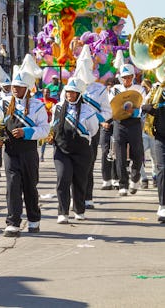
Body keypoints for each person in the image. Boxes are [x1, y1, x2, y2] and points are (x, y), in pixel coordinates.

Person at [0, 69, 50, 237]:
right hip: (10, 151)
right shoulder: (4, 103)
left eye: (19, 87)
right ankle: (13, 222)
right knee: (12, 187)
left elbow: (44, 130)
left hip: (28, 152)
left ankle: (34, 219)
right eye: (14, 86)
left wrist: (26, 132)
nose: (15, 89)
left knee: (29, 186)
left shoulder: (37, 105)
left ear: (27, 88)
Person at [49, 77, 99, 224]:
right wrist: (52, 136)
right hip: (61, 149)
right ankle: (63, 212)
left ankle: (79, 209)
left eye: (73, 93)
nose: (70, 95)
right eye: (68, 92)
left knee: (79, 181)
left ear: (79, 94)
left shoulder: (88, 110)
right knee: (63, 178)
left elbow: (93, 129)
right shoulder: (58, 107)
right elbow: (53, 124)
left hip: (82, 151)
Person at [73, 47, 112, 209]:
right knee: (73, 166)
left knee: (88, 165)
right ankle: (75, 197)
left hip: (91, 132)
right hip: (73, 132)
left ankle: (87, 196)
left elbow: (107, 111)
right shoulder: (71, 87)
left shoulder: (99, 89)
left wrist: (95, 120)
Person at [109, 63, 146, 196]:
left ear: (133, 76)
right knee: (119, 155)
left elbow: (143, 105)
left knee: (138, 153)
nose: (127, 80)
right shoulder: (115, 89)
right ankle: (123, 184)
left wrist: (135, 111)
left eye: (129, 77)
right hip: (119, 123)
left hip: (134, 123)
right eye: (124, 77)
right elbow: (111, 106)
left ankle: (135, 177)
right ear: (121, 78)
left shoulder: (139, 89)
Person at [140, 84, 165, 222]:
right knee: (162, 169)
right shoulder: (156, 90)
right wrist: (146, 107)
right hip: (160, 136)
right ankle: (163, 205)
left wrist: (155, 111)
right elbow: (143, 106)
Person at [39, 88, 57, 162]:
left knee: (53, 140)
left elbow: (57, 110)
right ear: (43, 93)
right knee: (43, 141)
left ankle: (56, 156)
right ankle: (42, 156)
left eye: (48, 92)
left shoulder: (54, 101)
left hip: (51, 124)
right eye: (45, 92)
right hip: (43, 123)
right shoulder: (39, 101)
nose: (47, 94)